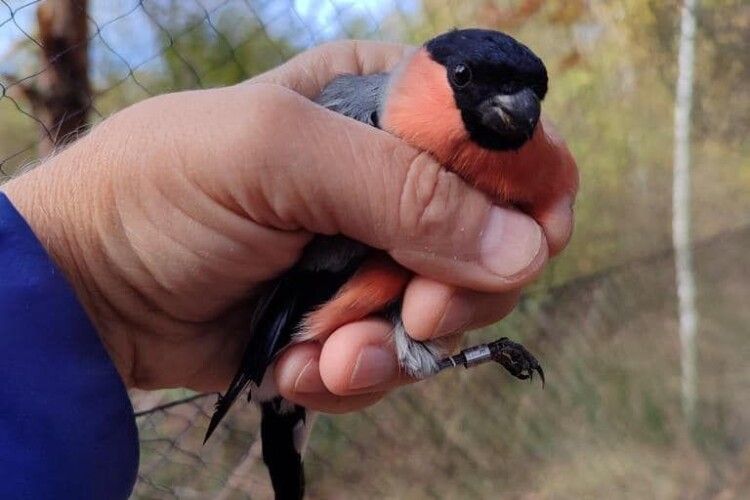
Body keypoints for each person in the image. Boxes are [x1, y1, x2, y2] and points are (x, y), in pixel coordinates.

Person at [0, 41, 577, 498]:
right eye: (467, 82)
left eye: (532, 97)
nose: (516, 109)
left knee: (404, 338)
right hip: (297, 322)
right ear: (426, 71)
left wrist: (95, 286)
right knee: (389, 348)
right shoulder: (369, 122)